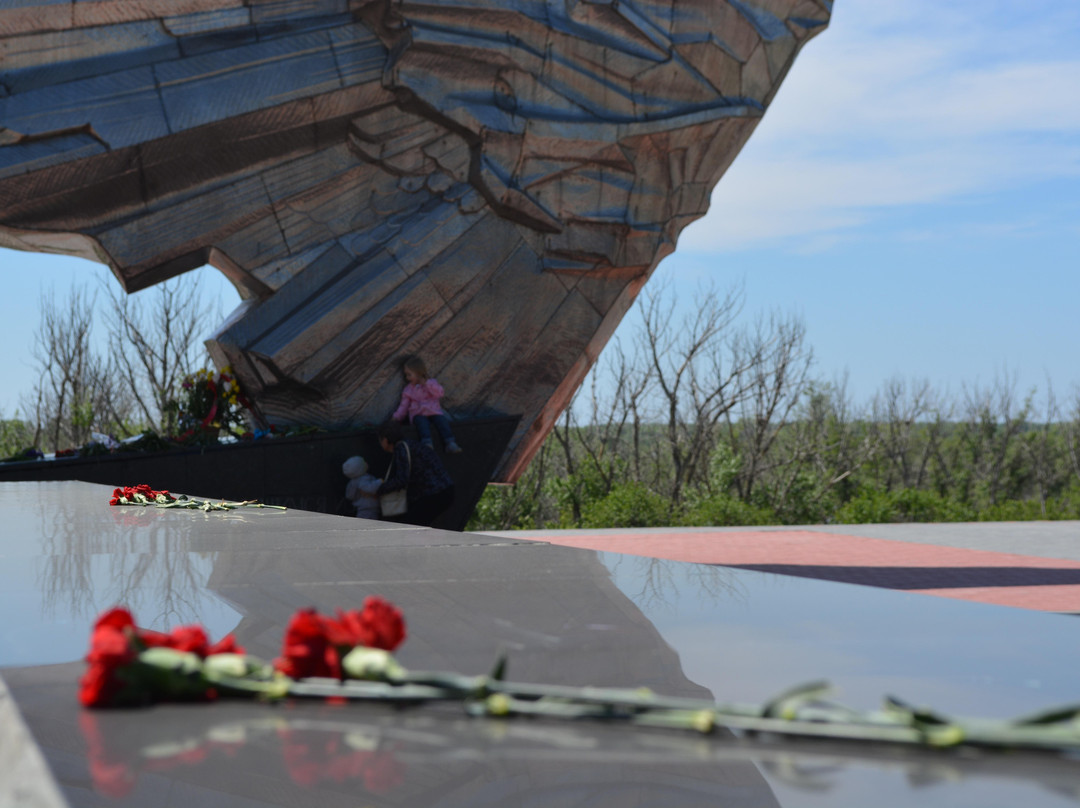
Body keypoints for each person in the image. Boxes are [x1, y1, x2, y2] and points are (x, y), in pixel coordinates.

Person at [376, 420, 455, 526]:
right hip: (444, 491)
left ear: (385, 440)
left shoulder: (401, 448)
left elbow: (402, 479)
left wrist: (379, 490)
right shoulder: (411, 444)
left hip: (434, 494)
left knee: (410, 527)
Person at [391, 356, 462, 453]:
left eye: (409, 374)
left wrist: (427, 383)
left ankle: (450, 442)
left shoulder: (431, 383)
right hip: (418, 414)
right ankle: (427, 444)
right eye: (406, 375)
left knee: (441, 421)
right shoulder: (409, 389)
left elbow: (439, 393)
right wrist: (397, 417)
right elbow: (404, 406)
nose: (407, 378)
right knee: (422, 423)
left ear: (419, 373)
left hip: (434, 412)